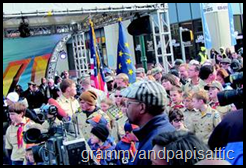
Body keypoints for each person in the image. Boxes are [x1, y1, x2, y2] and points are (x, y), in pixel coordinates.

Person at [121, 80, 175, 165]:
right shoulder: (160, 131)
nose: (126, 108)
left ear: (142, 107)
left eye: (128, 103)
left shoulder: (156, 143)